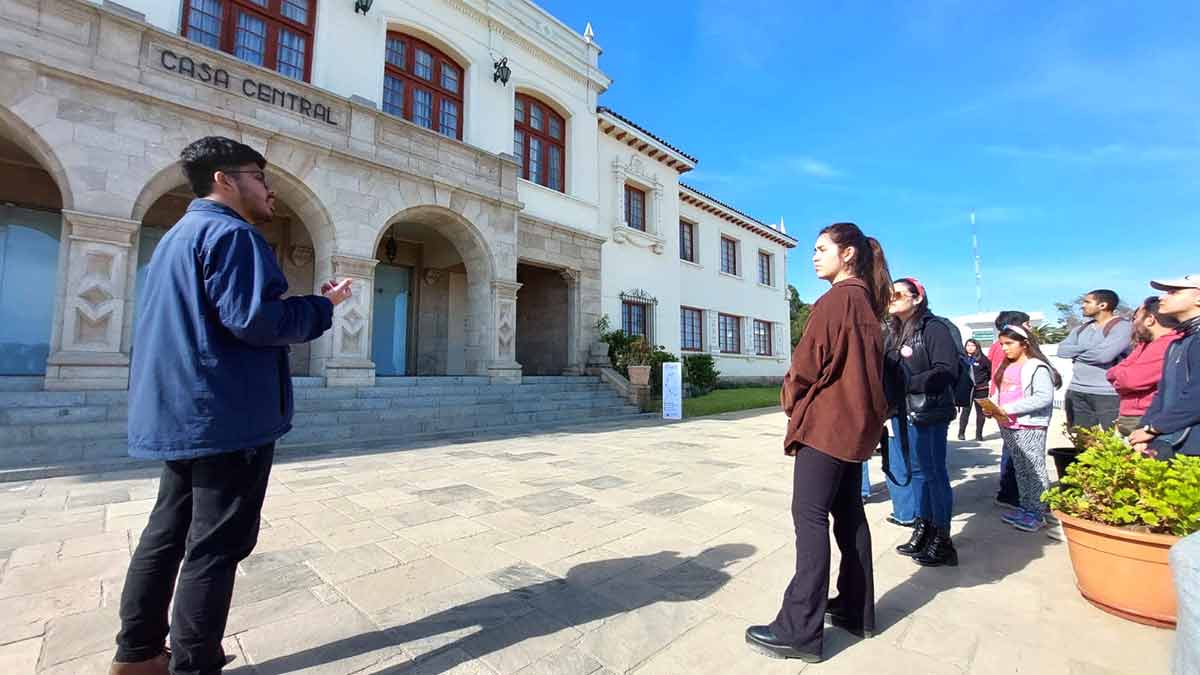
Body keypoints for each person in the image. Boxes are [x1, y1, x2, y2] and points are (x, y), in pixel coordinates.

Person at [110, 137, 352, 675]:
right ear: (225, 180)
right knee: (215, 548)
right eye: (259, 177)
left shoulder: (178, 236)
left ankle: (138, 654)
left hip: (184, 410)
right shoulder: (233, 234)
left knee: (167, 534)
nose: (269, 189)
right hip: (227, 414)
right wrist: (323, 305)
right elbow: (257, 322)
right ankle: (194, 665)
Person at [745, 222, 892, 663]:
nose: (814, 256)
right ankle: (854, 608)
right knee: (848, 515)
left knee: (809, 519)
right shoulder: (867, 303)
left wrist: (790, 397)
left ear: (848, 254)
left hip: (827, 427)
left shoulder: (836, 302)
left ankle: (799, 629)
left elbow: (806, 365)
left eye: (822, 248)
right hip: (854, 428)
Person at [883, 278, 960, 567]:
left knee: (934, 473)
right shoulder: (894, 331)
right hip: (903, 412)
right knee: (916, 473)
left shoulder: (933, 327)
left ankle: (943, 539)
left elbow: (946, 370)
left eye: (898, 293)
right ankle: (924, 527)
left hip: (929, 410)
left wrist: (910, 384)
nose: (892, 298)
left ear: (917, 298)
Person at [990, 325, 1063, 532]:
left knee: (1035, 468)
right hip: (1008, 424)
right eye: (1002, 344)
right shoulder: (1006, 366)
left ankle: (1038, 512)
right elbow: (1001, 392)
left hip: (1030, 424)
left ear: (1025, 344)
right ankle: (1025, 507)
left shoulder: (1036, 366)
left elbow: (1043, 397)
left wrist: (1009, 409)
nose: (1004, 348)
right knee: (1021, 469)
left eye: (1009, 343)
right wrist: (993, 406)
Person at [1130, 275, 1200, 459]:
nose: (1162, 297)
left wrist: (1154, 428)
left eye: (1173, 292)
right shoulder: (1179, 342)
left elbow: (1196, 396)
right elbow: (1163, 393)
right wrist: (1144, 430)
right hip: (1173, 442)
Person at [1057, 289, 1133, 432]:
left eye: (1087, 302)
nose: (1082, 306)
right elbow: (1062, 351)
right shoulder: (1080, 329)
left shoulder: (1122, 327)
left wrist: (1076, 353)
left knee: (1113, 441)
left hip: (1107, 394)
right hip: (1076, 390)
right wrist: (1090, 348)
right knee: (1080, 438)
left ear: (1103, 305)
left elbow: (1104, 356)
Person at [1106, 297, 1181, 436]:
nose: (1133, 322)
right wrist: (1121, 374)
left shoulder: (1170, 344)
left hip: (1145, 417)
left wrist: (1121, 375)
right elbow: (1111, 373)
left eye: (1136, 317)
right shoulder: (1145, 345)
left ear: (1150, 319)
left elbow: (1130, 381)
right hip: (1130, 415)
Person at [988, 311, 1030, 509]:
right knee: (1016, 450)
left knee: (1012, 448)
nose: (1030, 328)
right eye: (1027, 324)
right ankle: (1012, 494)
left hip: (1005, 403)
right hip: (1010, 404)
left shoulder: (999, 345)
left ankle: (1009, 492)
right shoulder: (1008, 346)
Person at [957, 338, 992, 441]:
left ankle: (979, 435)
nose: (970, 348)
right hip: (967, 389)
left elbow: (990, 373)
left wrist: (982, 381)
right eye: (968, 345)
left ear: (977, 347)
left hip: (981, 389)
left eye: (972, 345)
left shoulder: (983, 359)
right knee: (965, 411)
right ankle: (961, 433)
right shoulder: (962, 359)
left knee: (981, 413)